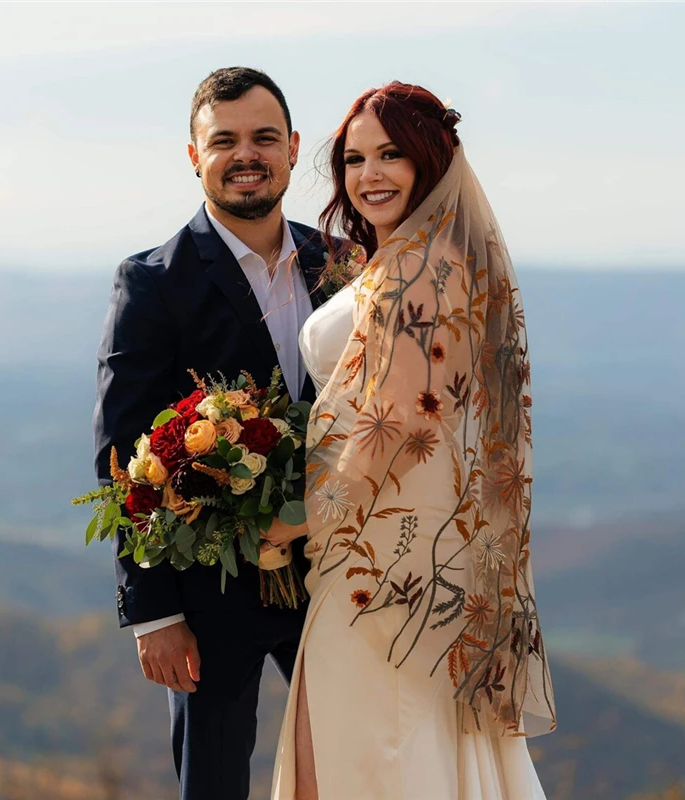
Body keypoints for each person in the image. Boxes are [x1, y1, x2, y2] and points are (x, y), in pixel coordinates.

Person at [263, 82, 557, 800]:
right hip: (391, 555)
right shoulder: (408, 261)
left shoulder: (429, 274)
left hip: (384, 563)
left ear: (431, 161)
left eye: (390, 154)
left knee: (354, 761)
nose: (368, 175)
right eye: (355, 158)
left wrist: (288, 521)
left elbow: (394, 430)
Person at [93, 66, 329, 800]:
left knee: (359, 762)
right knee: (216, 784)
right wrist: (153, 611)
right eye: (223, 140)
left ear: (292, 148)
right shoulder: (153, 281)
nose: (246, 154)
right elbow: (122, 455)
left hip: (335, 575)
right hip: (209, 593)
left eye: (263, 137)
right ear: (195, 157)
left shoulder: (341, 264)